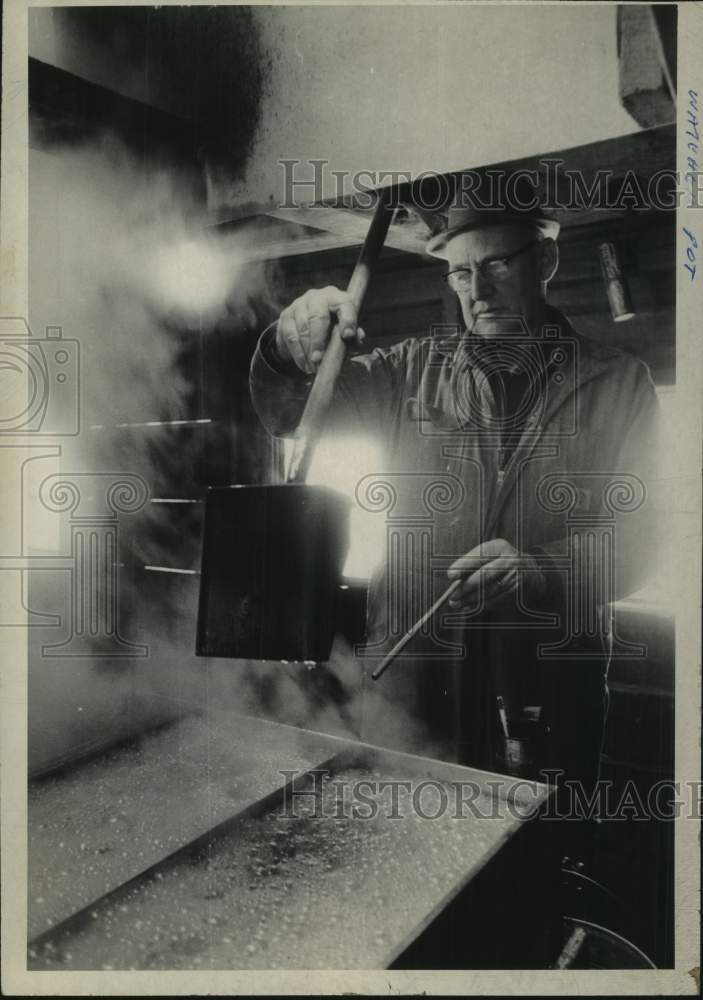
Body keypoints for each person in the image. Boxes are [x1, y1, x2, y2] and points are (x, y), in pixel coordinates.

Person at [249, 176, 661, 822]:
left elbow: (641, 542)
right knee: (405, 858)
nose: (478, 290)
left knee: (534, 862)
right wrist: (284, 348)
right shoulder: (404, 372)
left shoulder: (616, 384)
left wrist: (538, 568)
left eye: (496, 265)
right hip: (414, 679)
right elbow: (289, 415)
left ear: (546, 260)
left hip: (544, 681)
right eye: (460, 274)